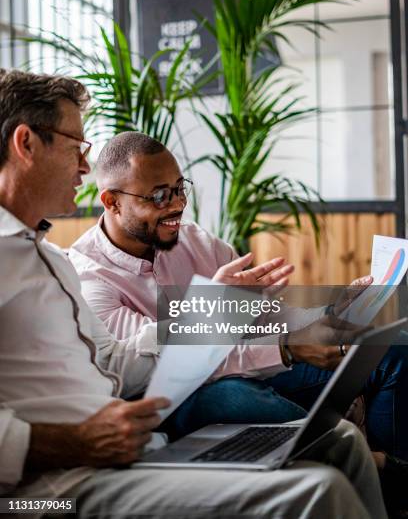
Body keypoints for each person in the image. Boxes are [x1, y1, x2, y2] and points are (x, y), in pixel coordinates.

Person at [0, 68, 386, 519]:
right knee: (315, 488)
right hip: (49, 490)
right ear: (26, 143)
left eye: (177, 190)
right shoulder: (73, 267)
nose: (85, 166)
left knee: (340, 442)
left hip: (133, 453)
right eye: (75, 148)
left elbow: (116, 365)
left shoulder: (51, 261)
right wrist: (73, 441)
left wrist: (318, 309)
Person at [69, 132, 408, 467]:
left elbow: (262, 317)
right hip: (176, 397)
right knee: (231, 396)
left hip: (258, 364)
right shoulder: (89, 279)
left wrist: (329, 315)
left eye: (179, 188)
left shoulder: (198, 242)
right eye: (159, 195)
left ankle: (394, 482)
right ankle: (366, 459)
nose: (177, 205)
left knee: (393, 347)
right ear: (112, 202)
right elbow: (171, 363)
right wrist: (284, 349)